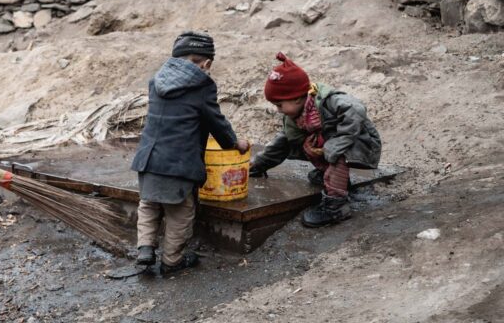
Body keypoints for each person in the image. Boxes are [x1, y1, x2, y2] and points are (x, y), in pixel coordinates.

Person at [131, 31, 249, 274]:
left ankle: (145, 248)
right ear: (206, 63)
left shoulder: (156, 81)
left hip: (148, 159)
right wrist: (235, 143)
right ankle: (172, 261)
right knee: (180, 213)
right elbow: (216, 121)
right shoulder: (202, 86)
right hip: (179, 163)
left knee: (149, 204)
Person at [250, 52, 381, 227]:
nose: (278, 110)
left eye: (279, 105)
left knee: (334, 151)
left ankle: (336, 207)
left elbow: (356, 110)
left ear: (296, 99)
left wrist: (335, 144)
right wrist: (257, 165)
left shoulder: (329, 102)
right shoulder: (296, 117)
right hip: (335, 145)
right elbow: (282, 142)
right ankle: (334, 178)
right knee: (305, 142)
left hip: (361, 144)